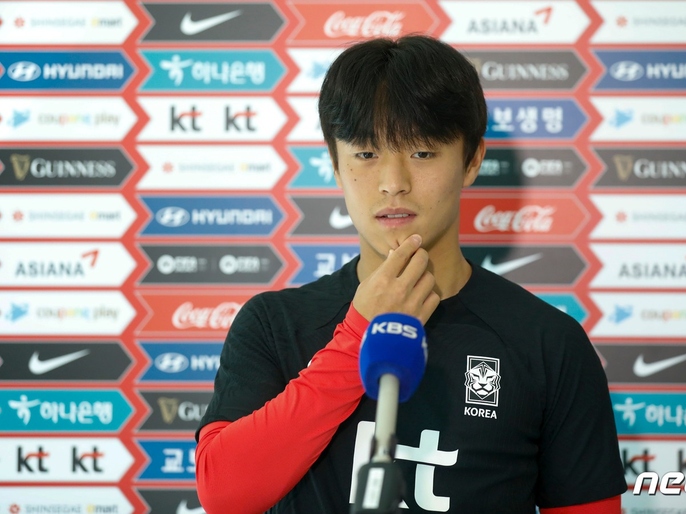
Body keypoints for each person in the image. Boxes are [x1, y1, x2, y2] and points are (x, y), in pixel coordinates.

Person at [195, 35, 627, 514]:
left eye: (422, 153)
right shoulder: (275, 325)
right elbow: (224, 494)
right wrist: (358, 336)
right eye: (366, 154)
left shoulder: (548, 342)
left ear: (472, 160)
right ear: (335, 165)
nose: (393, 183)